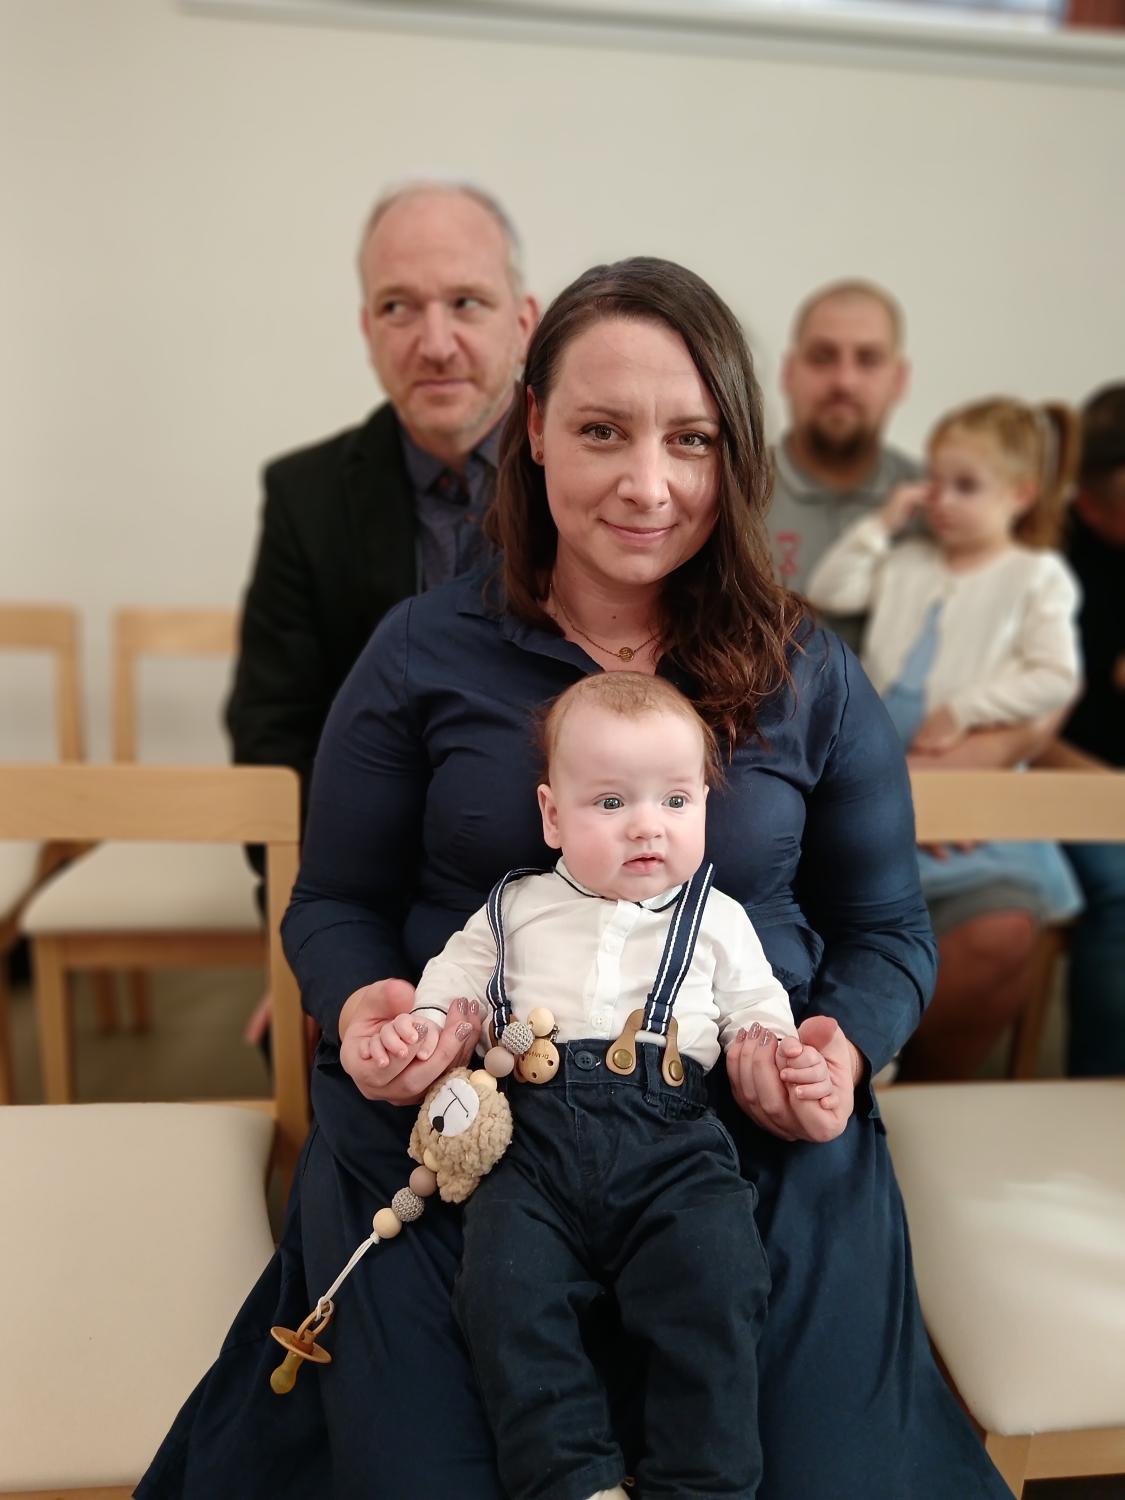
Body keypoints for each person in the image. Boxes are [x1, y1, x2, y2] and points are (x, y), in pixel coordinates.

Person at [138, 256, 1012, 1500]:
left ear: (734, 452)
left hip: (746, 1127)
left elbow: (887, 927)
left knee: (817, 1472)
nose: (648, 484)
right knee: (432, 1473)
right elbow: (333, 901)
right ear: (535, 426)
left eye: (691, 439)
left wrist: (838, 1045)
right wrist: (364, 997)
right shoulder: (420, 650)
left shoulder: (807, 669)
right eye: (603, 430)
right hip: (465, 1115)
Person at [403, 671, 839, 1500]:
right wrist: (423, 1030)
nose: (647, 826)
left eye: (675, 801)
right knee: (502, 1293)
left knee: (718, 1283)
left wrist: (791, 1067)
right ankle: (570, 1478)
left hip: (672, 1143)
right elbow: (447, 988)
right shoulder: (513, 908)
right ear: (551, 815)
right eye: (610, 803)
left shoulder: (716, 919)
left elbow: (759, 1014)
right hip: (526, 1149)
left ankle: (701, 1483)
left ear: (703, 804)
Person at [225, 178, 539, 832]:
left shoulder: (595, 477)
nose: (436, 344)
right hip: (371, 864)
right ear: (368, 331)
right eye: (399, 307)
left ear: (522, 323)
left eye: (466, 302)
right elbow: (273, 735)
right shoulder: (304, 496)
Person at [807, 396, 1084, 1079]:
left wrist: (967, 709)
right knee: (855, 892)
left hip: (965, 775)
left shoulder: (1035, 577)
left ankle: (902, 1050)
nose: (941, 500)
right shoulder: (908, 561)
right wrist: (883, 523)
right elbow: (830, 587)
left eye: (965, 486)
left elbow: (1056, 674)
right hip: (881, 758)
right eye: (934, 481)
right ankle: (860, 1036)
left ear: (1020, 495)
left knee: (974, 899)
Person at [1038, 383, 1125, 1075]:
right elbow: (1030, 735)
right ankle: (1104, 1087)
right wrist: (1108, 791)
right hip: (1065, 778)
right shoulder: (1048, 561)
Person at [767, 279, 918, 650]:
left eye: (868, 360)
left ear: (899, 380)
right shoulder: (730, 492)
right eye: (822, 357)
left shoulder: (938, 506)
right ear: (788, 373)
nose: (844, 382)